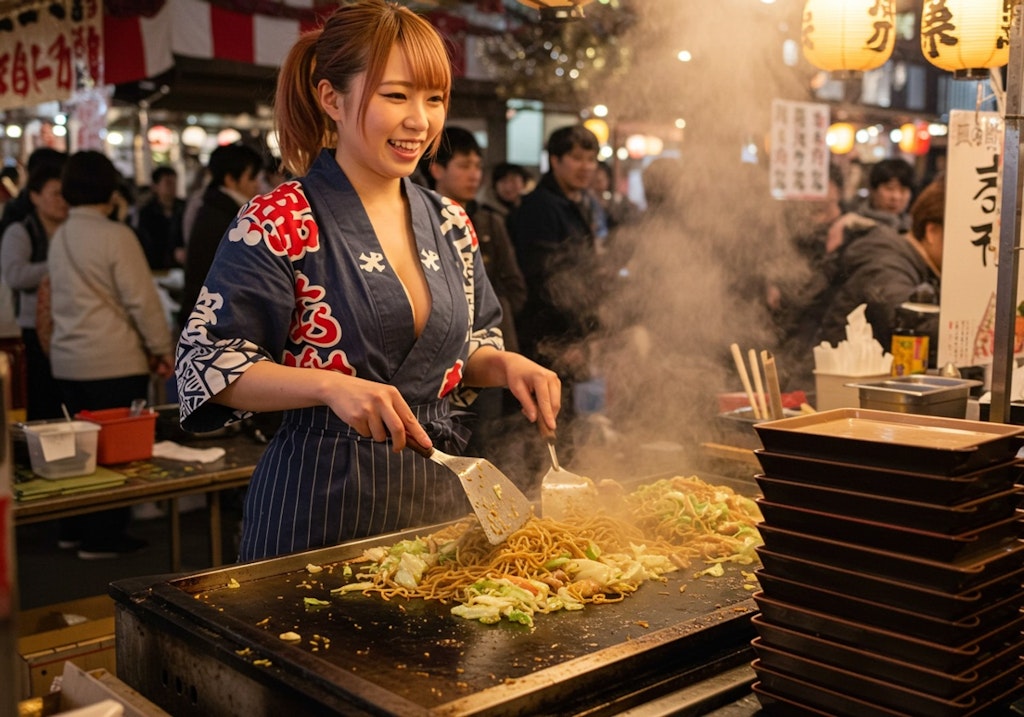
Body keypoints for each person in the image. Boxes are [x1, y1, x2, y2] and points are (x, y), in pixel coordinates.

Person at [175, 0, 560, 562]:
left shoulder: (451, 222)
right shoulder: (279, 219)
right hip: (316, 508)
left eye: (434, 99)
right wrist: (329, 385)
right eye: (396, 95)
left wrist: (504, 364)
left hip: (436, 501)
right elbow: (206, 366)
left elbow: (460, 350)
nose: (420, 121)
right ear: (332, 98)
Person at [47, 150, 174, 559]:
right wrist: (161, 348)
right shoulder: (116, 235)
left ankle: (72, 529)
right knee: (117, 454)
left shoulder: (61, 234)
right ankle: (102, 538)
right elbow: (142, 301)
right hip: (113, 360)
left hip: (67, 360)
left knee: (74, 454)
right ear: (109, 187)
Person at [421, 125, 530, 478]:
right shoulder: (419, 221)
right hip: (438, 365)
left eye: (477, 167)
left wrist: (484, 320)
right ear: (437, 169)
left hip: (488, 352)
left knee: (488, 445)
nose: (474, 175)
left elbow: (515, 286)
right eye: (464, 166)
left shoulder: (488, 221)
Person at [509, 124, 602, 457]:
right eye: (577, 158)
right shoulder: (540, 206)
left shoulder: (578, 202)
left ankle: (564, 485)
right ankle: (543, 494)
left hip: (569, 334)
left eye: (591, 159)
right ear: (555, 160)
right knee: (544, 423)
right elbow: (548, 278)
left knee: (565, 421)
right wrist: (570, 338)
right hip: (546, 338)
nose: (586, 166)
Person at [815, 178, 944, 353]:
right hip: (827, 378)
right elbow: (910, 324)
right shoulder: (887, 259)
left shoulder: (912, 261)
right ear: (932, 232)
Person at [0, 162, 68, 420]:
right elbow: (15, 275)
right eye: (55, 193)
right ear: (35, 196)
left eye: (65, 193)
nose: (62, 201)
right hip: (31, 329)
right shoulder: (21, 231)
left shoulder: (70, 231)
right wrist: (57, 267)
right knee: (42, 399)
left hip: (66, 325)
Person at [177, 142, 263, 330]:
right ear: (230, 179)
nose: (257, 184)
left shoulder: (213, 206)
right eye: (252, 177)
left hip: (203, 318)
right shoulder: (231, 217)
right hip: (216, 323)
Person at [134, 165, 185, 270]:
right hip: (156, 267)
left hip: (181, 267)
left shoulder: (184, 207)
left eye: (174, 183)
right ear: (155, 186)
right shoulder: (147, 213)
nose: (172, 187)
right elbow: (146, 243)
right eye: (168, 183)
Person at [853, 158, 915, 233]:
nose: (896, 197)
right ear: (873, 190)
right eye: (889, 188)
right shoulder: (856, 224)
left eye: (903, 190)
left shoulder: (912, 227)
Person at [482, 161, 531, 233]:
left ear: (523, 184)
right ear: (494, 186)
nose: (508, 187)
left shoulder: (530, 211)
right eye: (503, 181)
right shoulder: (487, 214)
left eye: (513, 181)